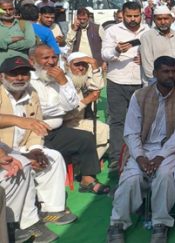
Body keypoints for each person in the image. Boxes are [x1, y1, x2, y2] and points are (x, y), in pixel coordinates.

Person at [107, 56, 175, 243]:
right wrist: (140, 157)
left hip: (169, 150)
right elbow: (131, 132)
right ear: (155, 74)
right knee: (131, 179)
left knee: (164, 176)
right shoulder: (140, 95)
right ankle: (117, 224)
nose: (171, 75)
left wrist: (161, 157)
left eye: (173, 71)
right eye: (165, 71)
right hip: (142, 149)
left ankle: (160, 224)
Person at [0, 56, 76, 241]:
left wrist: (35, 149)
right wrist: (19, 120)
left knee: (52, 157)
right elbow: (26, 122)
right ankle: (23, 223)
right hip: (4, 149)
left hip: (22, 146)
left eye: (24, 74)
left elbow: (37, 125)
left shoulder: (31, 92)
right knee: (22, 166)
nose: (19, 78)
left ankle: (52, 210)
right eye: (14, 74)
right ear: (2, 76)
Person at [29, 44, 109, 195]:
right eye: (46, 58)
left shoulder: (62, 79)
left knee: (86, 138)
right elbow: (39, 110)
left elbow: (70, 105)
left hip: (56, 130)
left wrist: (62, 82)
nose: (51, 62)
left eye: (54, 57)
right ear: (32, 61)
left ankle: (87, 180)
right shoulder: (29, 81)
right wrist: (58, 109)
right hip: (34, 133)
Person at [101, 1, 149, 175]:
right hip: (117, 81)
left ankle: (139, 154)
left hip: (140, 81)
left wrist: (146, 60)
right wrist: (116, 50)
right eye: (129, 16)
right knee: (118, 120)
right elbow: (104, 54)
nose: (133, 19)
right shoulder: (113, 31)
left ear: (141, 15)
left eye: (136, 16)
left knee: (141, 121)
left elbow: (154, 53)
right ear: (123, 14)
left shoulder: (148, 31)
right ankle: (116, 158)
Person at [63, 52, 110, 159]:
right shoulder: (63, 83)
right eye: (76, 65)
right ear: (68, 66)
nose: (80, 68)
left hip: (78, 121)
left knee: (106, 131)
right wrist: (87, 100)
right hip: (65, 124)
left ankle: (87, 166)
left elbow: (98, 86)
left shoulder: (81, 81)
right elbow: (66, 115)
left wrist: (94, 64)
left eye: (84, 65)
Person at [139, 5, 175, 85]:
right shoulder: (147, 37)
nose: (163, 22)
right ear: (154, 20)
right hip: (156, 85)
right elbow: (148, 69)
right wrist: (170, 77)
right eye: (159, 19)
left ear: (172, 19)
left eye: (166, 19)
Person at [0, 0, 35, 66]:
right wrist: (10, 40)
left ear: (14, 10)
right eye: (4, 10)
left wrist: (3, 44)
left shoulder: (25, 24)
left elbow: (30, 42)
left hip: (21, 65)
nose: (8, 12)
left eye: (10, 9)